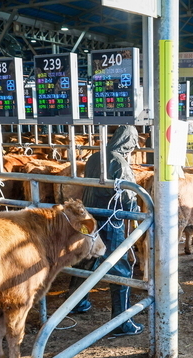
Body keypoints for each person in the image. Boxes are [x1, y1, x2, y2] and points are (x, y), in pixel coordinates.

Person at [68, 125, 144, 337]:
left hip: (89, 217)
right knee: (120, 269)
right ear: (129, 142)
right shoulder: (120, 162)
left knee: (87, 259)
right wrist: (136, 214)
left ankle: (76, 302)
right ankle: (121, 322)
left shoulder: (94, 157)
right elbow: (128, 195)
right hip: (110, 220)